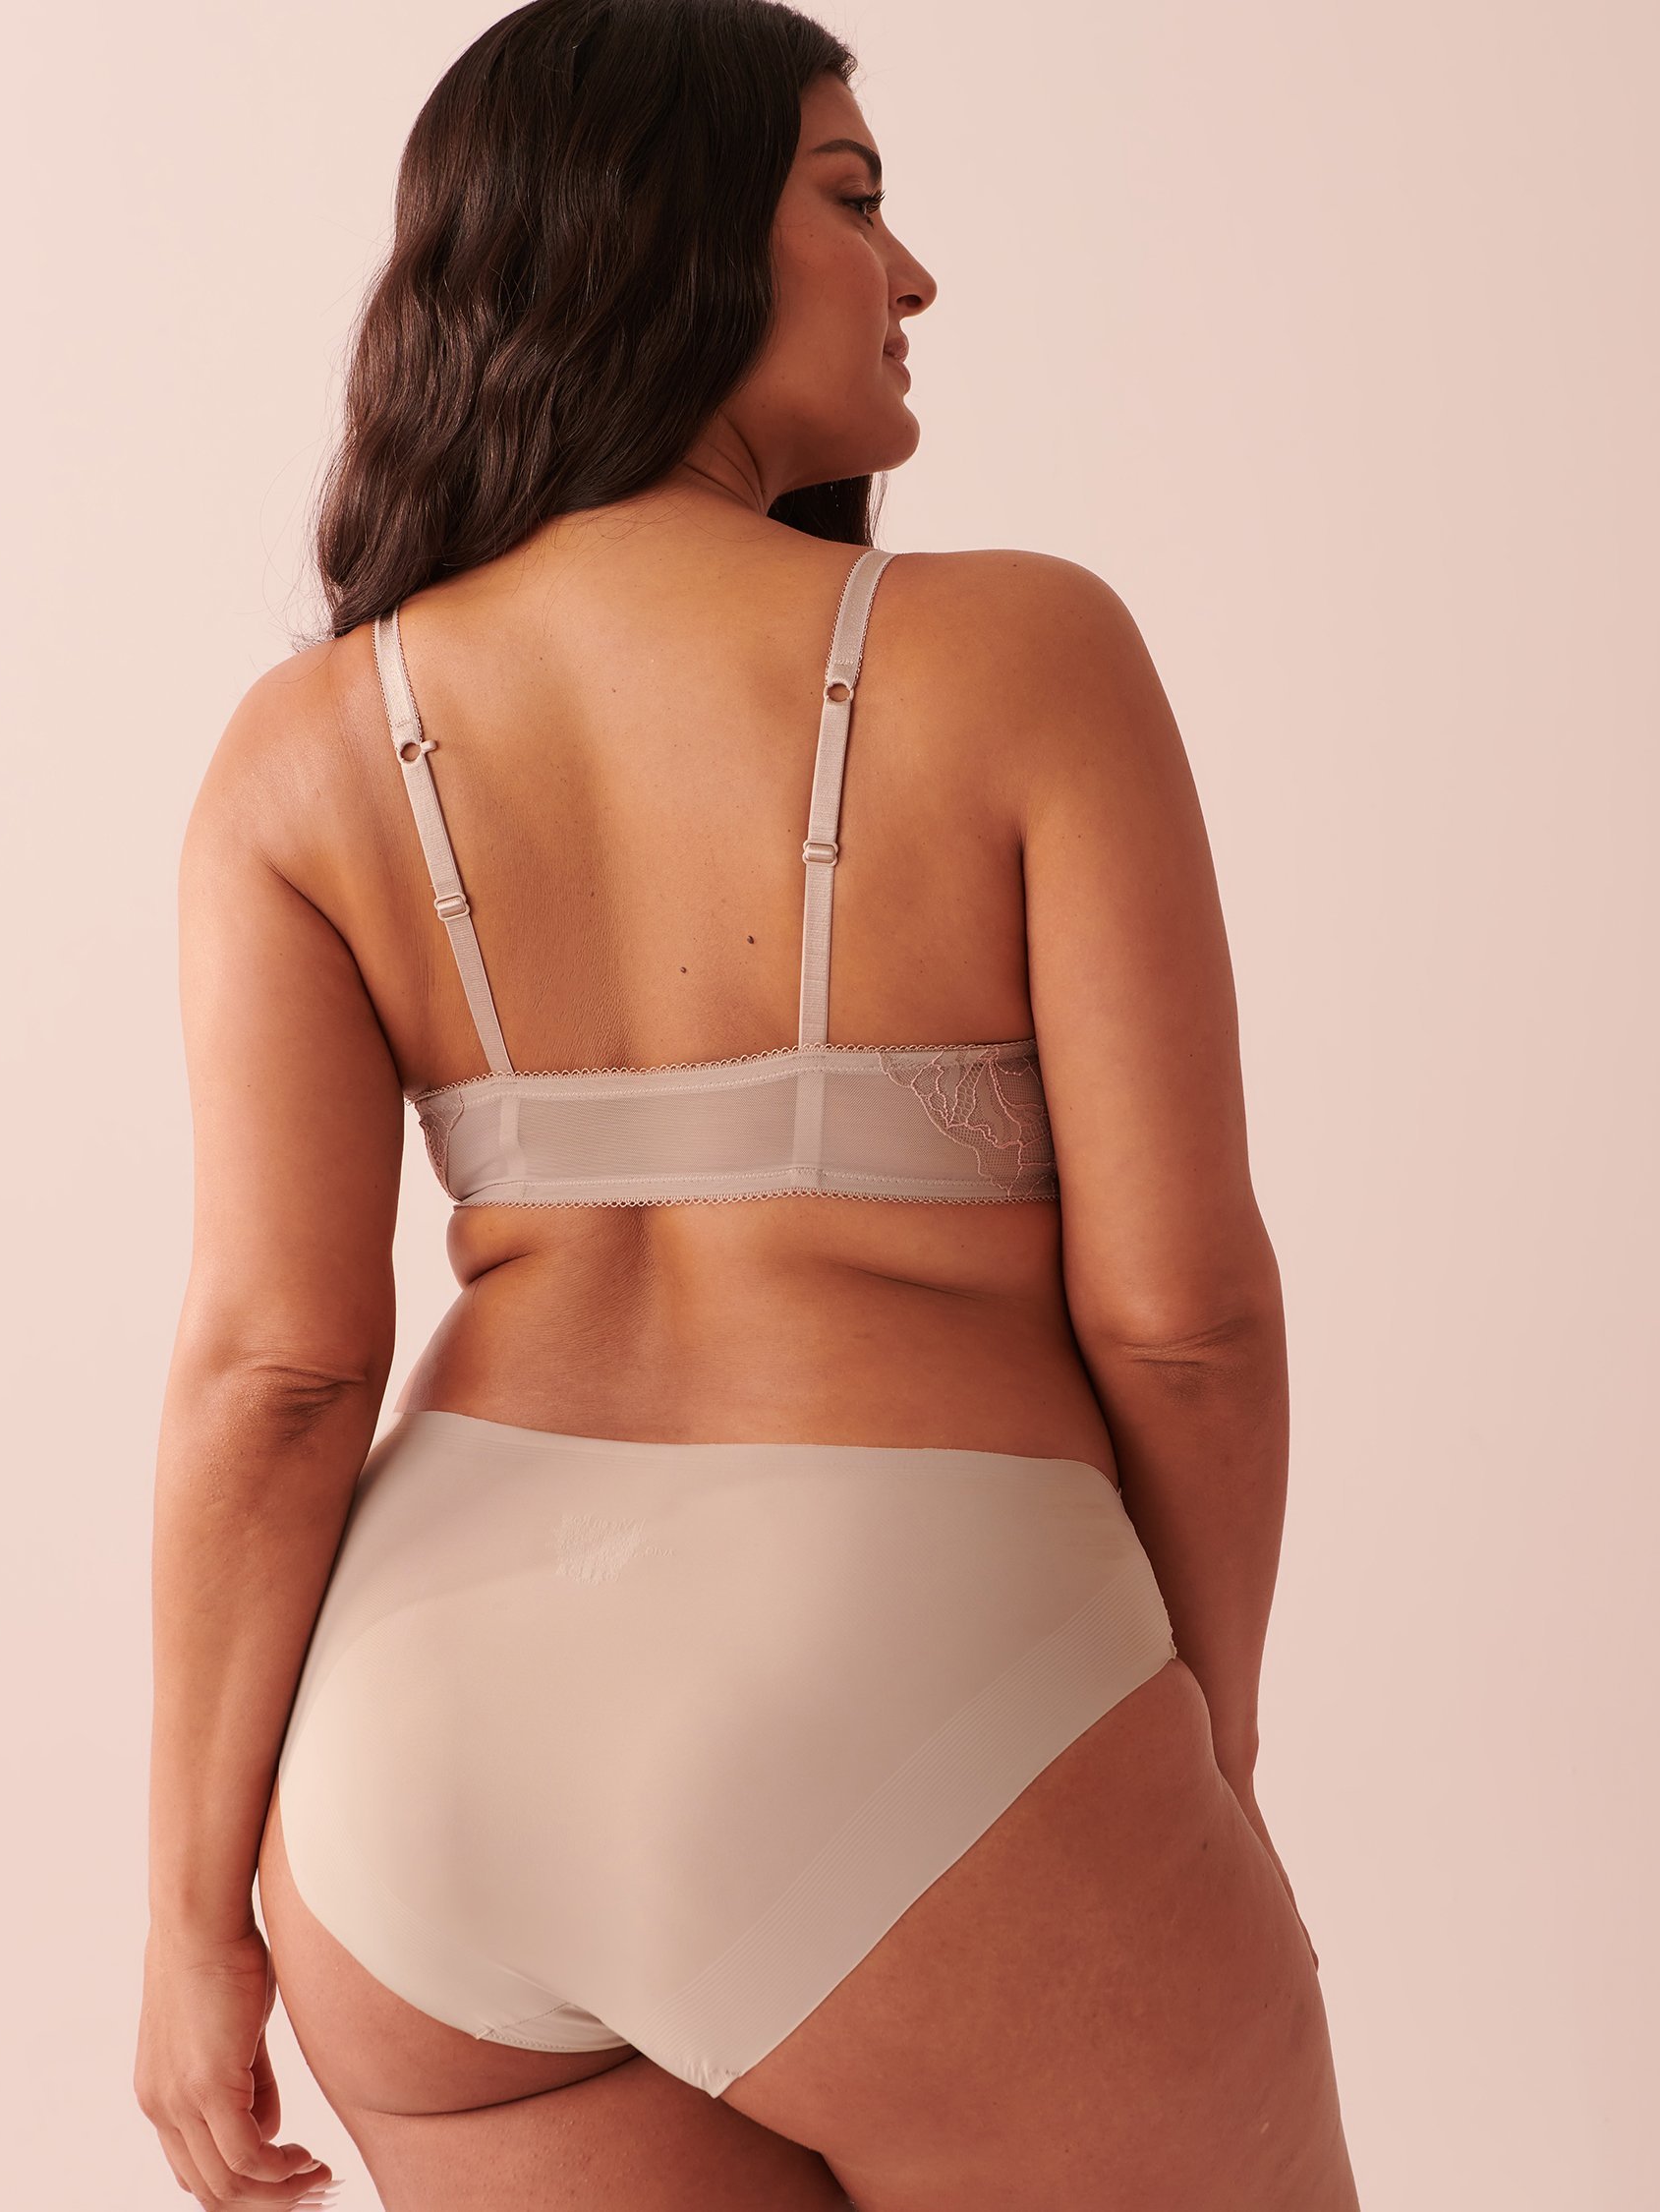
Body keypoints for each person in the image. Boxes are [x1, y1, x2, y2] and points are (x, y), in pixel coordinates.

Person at [134, 3, 1361, 2206]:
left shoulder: (301, 754)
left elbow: (277, 1373)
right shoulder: (1024, 655)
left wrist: (187, 1912)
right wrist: (1195, 1728)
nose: (913, 275)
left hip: (418, 1773)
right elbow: (1188, 1320)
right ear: (662, 231)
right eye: (853, 197)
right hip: (923, 1667)